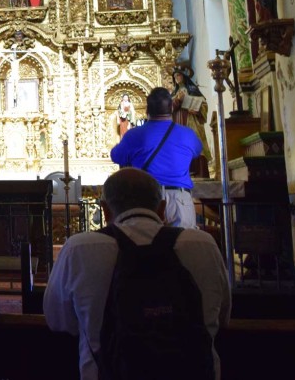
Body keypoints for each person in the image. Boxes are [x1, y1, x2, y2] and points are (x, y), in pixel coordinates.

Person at [44, 168, 231, 380]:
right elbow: (222, 316)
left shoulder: (79, 248)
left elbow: (58, 321)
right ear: (162, 208)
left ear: (104, 210)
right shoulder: (203, 244)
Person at [110, 87, 202, 228]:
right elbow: (197, 152)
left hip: (146, 199)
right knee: (182, 246)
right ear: (171, 108)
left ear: (147, 110)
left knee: (147, 247)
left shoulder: (134, 135)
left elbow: (116, 156)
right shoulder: (188, 134)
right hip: (179, 199)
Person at [171, 64, 211, 174]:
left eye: (178, 75)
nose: (176, 78)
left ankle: (199, 171)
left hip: (192, 120)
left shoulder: (193, 90)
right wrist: (177, 100)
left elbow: (203, 104)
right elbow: (169, 109)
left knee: (195, 142)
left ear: (184, 76)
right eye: (175, 76)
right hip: (179, 121)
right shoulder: (174, 93)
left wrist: (197, 111)